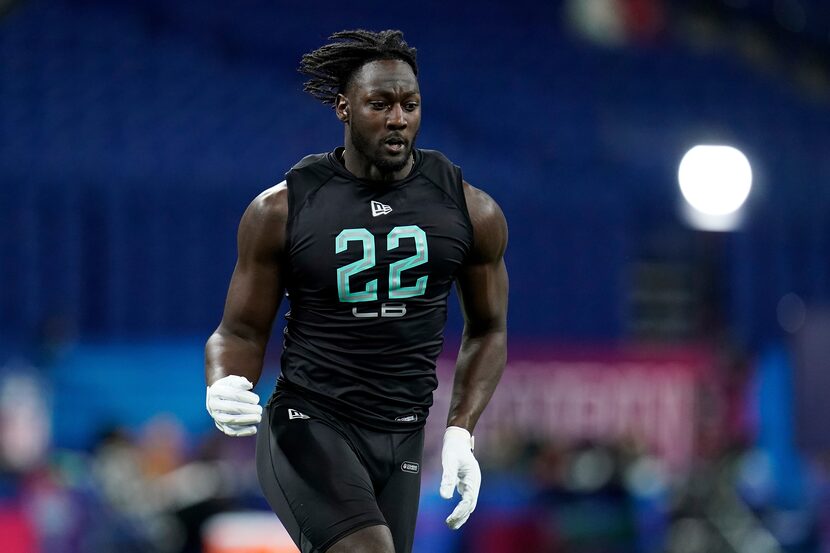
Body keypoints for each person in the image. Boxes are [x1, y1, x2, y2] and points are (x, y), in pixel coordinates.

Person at [204, 29, 508, 553]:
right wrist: (224, 380)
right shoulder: (282, 209)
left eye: (410, 104)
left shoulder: (470, 209)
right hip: (310, 424)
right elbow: (240, 329)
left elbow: (489, 330)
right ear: (344, 108)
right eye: (380, 104)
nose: (398, 119)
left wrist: (461, 429)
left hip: (403, 433)